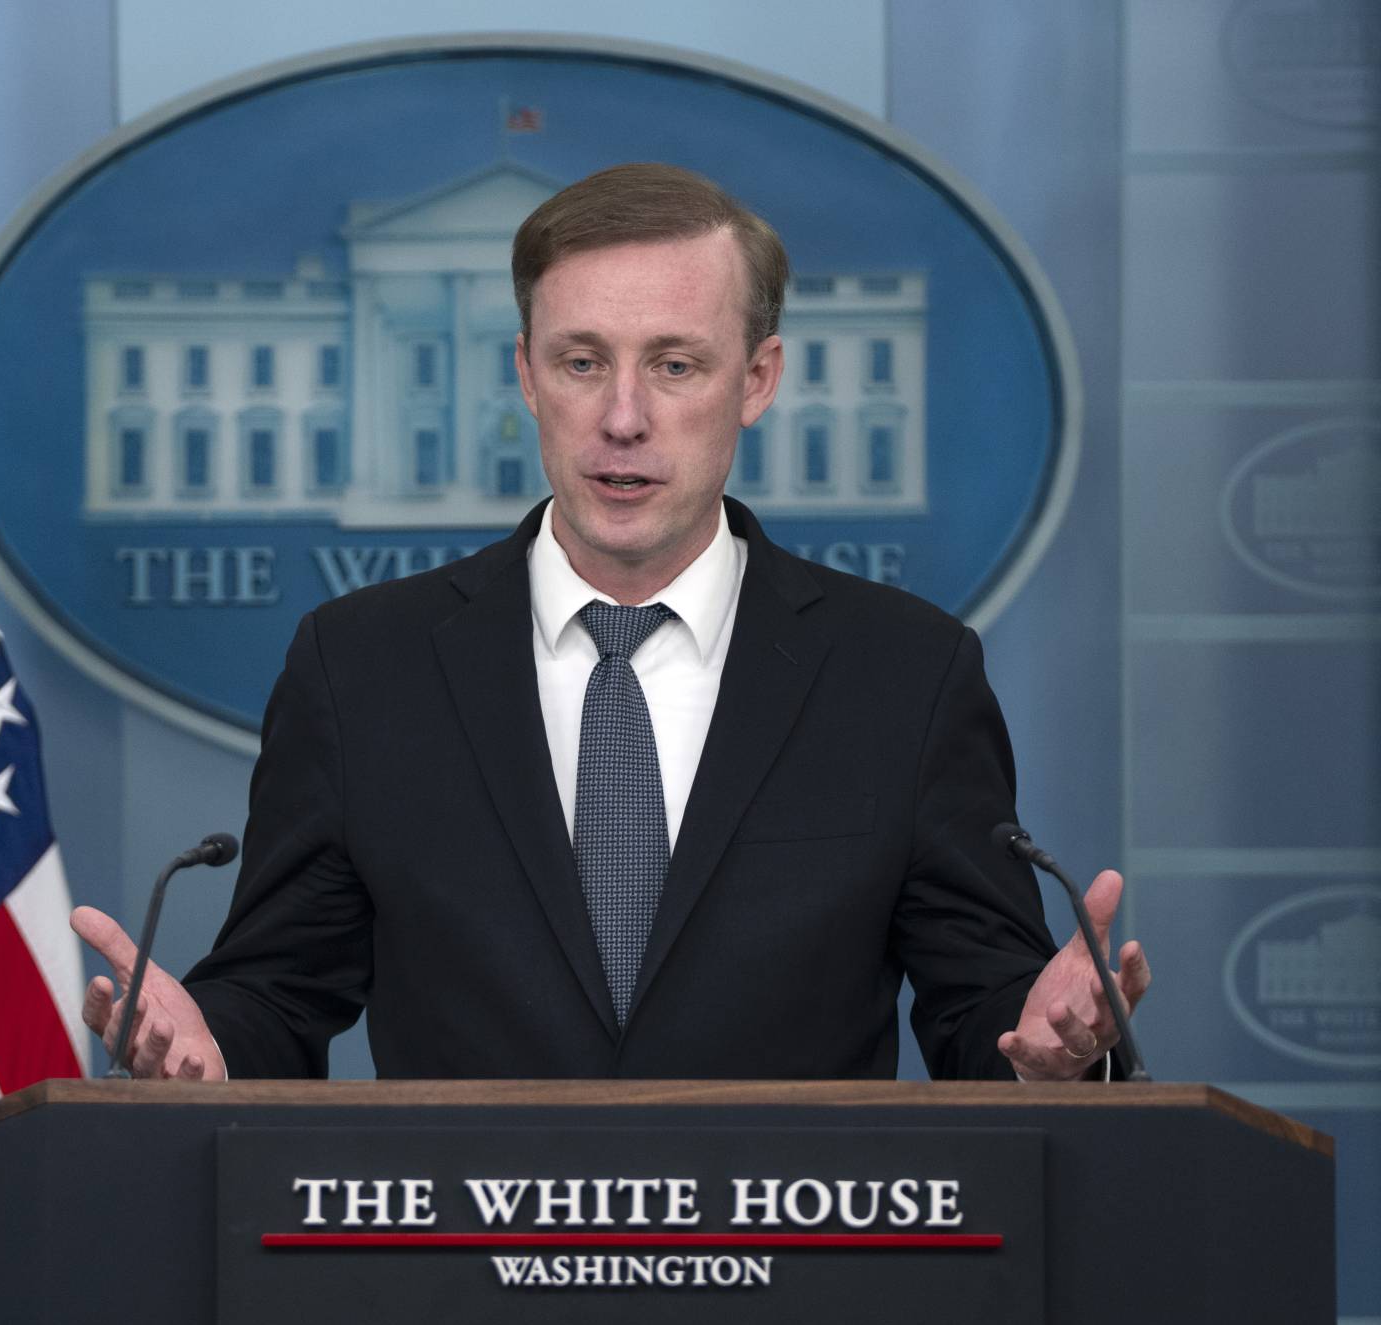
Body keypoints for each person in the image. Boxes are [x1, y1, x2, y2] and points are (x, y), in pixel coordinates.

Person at [71, 163, 1150, 1082]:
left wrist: (1048, 1050)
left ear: (757, 380)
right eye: (581, 361)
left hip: (787, 1247)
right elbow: (277, 990)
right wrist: (208, 1042)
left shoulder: (903, 674)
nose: (622, 417)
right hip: (459, 1249)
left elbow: (985, 1015)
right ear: (526, 376)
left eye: (674, 365)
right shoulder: (361, 667)